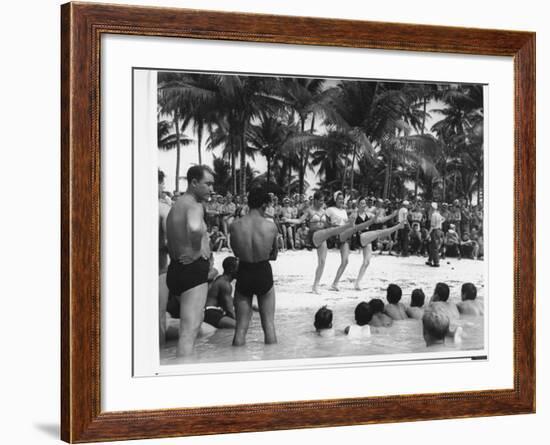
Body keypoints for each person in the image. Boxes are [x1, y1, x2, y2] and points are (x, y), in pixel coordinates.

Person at [165, 165, 214, 359]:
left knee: (190, 327)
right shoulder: (194, 205)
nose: (211, 189)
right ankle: (181, 380)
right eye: (207, 184)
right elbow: (194, 228)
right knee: (188, 332)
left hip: (176, 269)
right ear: (194, 183)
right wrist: (195, 251)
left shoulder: (176, 206)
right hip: (192, 270)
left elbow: (170, 239)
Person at [229, 187, 279, 346]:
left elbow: (236, 252)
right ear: (264, 205)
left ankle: (235, 363)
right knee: (269, 326)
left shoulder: (235, 226)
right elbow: (274, 255)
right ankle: (271, 363)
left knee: (240, 329)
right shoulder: (271, 227)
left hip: (244, 271)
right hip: (263, 271)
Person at [204, 256, 239, 329]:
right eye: (239, 268)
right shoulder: (225, 284)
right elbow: (230, 310)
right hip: (210, 312)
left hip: (210, 311)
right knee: (239, 326)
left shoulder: (220, 278)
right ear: (232, 270)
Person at [158, 169, 171, 274]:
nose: (163, 188)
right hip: (158, 264)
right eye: (163, 185)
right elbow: (170, 242)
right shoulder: (163, 208)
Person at [426, 202, 444, 267]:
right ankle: (430, 260)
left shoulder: (433, 215)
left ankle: (436, 262)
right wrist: (440, 223)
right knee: (432, 246)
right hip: (439, 230)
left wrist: (428, 233)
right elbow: (443, 219)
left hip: (435, 231)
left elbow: (432, 226)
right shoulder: (438, 214)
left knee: (434, 247)